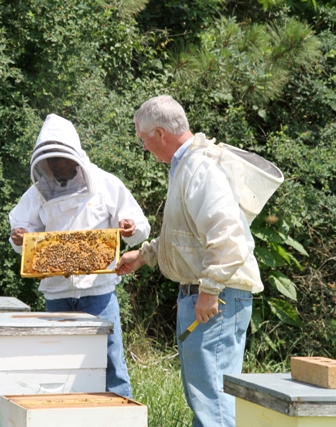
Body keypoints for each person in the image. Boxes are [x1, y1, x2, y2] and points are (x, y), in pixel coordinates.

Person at [116, 95, 263, 427]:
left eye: (143, 140)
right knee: (207, 401)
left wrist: (210, 290)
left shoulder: (199, 167)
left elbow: (227, 236)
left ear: (159, 134)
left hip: (216, 299)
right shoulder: (185, 165)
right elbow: (184, 234)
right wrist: (144, 255)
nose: (144, 148)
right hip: (207, 296)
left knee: (214, 404)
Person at [9, 113, 151, 399]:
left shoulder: (107, 184)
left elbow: (140, 226)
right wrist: (19, 238)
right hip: (57, 292)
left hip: (97, 291)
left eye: (64, 159)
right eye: (54, 161)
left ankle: (119, 416)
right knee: (61, 364)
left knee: (109, 359)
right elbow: (22, 233)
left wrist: (130, 228)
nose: (60, 165)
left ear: (76, 155)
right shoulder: (37, 193)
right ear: (45, 162)